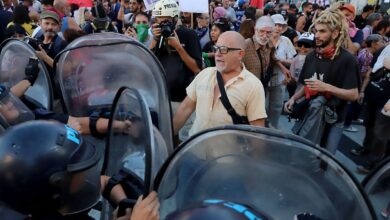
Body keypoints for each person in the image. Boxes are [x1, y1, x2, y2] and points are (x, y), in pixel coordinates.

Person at [0, 121, 160, 220]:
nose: (87, 174)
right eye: (79, 170)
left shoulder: (47, 203)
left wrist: (123, 203)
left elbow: (103, 181)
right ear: (58, 184)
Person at [284, 4, 359, 154]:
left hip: (335, 119)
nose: (316, 35)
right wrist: (293, 98)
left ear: (335, 33)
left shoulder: (347, 59)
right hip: (310, 112)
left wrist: (326, 87)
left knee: (325, 158)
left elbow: (354, 94)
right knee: (304, 153)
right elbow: (307, 84)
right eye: (316, 30)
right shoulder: (312, 55)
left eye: (322, 31)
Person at [173, 31, 267, 137]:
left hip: (227, 153)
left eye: (223, 49)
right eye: (216, 48)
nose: (217, 53)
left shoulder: (253, 86)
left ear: (240, 54)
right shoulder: (205, 74)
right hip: (195, 148)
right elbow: (186, 108)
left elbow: (257, 131)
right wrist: (167, 137)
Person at [150, 0, 202, 141]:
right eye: (158, 20)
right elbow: (148, 63)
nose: (161, 24)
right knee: (165, 140)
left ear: (174, 18)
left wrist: (179, 47)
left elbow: (197, 68)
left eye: (165, 20)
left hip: (184, 101)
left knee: (186, 141)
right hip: (163, 100)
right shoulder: (157, 37)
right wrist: (154, 41)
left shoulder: (189, 35)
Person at [268, 14, 296, 129]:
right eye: (276, 25)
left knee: (276, 108)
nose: (278, 28)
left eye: (281, 25)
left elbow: (293, 61)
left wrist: (282, 60)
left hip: (280, 79)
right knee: (262, 107)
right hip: (263, 79)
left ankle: (272, 131)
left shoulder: (286, 41)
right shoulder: (264, 38)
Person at [288, 32, 315, 98]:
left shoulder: (319, 61)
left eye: (307, 45)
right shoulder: (296, 59)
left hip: (314, 98)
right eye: (300, 44)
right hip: (298, 97)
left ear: (314, 47)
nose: (302, 47)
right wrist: (289, 81)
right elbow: (293, 82)